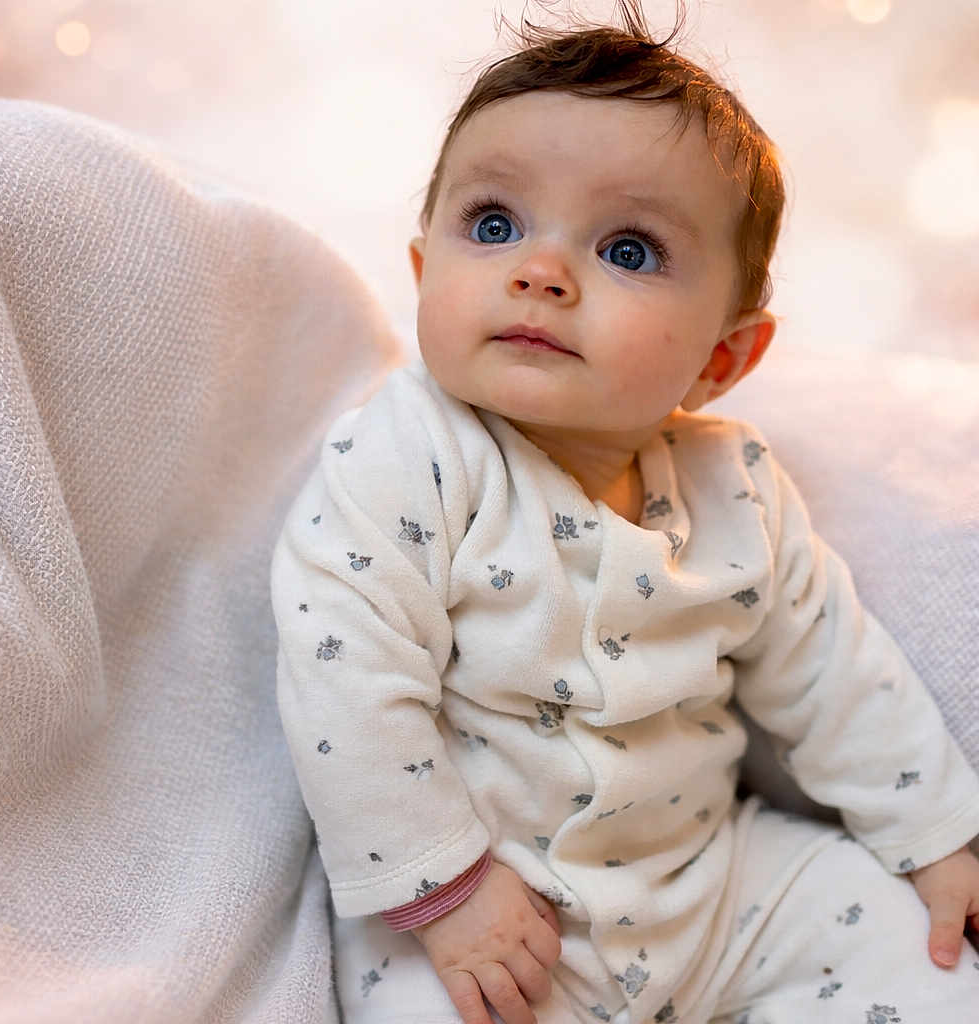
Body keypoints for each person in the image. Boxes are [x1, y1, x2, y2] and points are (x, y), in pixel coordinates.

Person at [270, 4, 979, 1021]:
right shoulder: (405, 458)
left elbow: (832, 672)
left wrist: (933, 833)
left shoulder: (734, 486)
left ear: (721, 359)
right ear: (426, 273)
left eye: (629, 250)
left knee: (915, 953)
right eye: (495, 223)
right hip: (486, 913)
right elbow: (345, 676)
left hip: (711, 881)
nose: (540, 271)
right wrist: (447, 885)